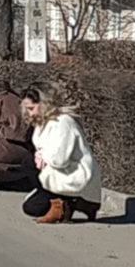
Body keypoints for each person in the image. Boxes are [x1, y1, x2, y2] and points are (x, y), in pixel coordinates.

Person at [21, 82, 102, 224]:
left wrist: (42, 155)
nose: (30, 113)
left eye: (32, 108)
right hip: (58, 172)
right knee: (30, 206)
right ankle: (66, 202)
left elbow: (60, 160)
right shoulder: (43, 122)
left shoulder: (63, 122)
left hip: (75, 174)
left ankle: (75, 202)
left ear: (44, 104)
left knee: (34, 203)